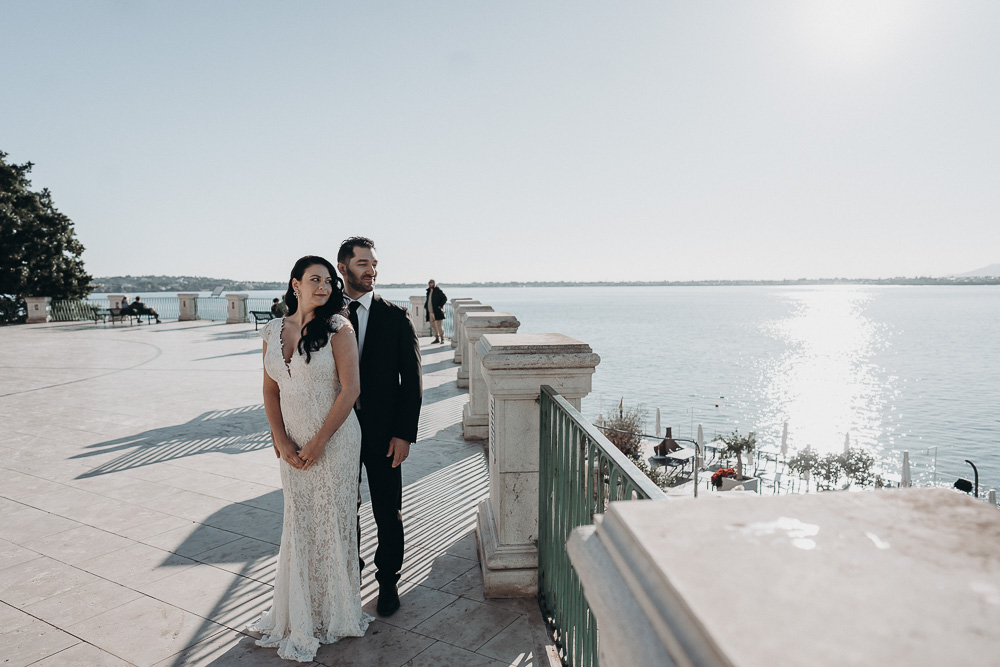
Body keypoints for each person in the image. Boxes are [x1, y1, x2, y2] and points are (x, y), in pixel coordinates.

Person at [247, 255, 370, 661]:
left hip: (334, 440)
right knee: (299, 522)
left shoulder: (339, 328)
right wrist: (280, 438)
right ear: (295, 284)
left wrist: (318, 442)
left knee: (331, 521)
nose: (324, 286)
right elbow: (270, 391)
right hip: (291, 441)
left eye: (329, 281)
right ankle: (301, 611)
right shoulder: (271, 329)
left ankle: (335, 612)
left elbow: (350, 390)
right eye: (314, 279)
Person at [337, 236, 421, 618]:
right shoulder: (325, 314)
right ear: (343, 268)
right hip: (337, 433)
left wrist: (404, 434)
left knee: (388, 512)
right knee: (343, 508)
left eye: (373, 264)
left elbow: (413, 382)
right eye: (362, 263)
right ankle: (349, 579)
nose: (370, 270)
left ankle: (388, 582)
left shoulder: (396, 317)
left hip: (386, 434)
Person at [425, 279, 447, 344]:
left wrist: (440, 305)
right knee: (434, 326)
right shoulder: (428, 291)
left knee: (439, 326)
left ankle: (442, 338)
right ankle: (436, 338)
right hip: (430, 312)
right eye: (429, 282)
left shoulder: (437, 290)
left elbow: (444, 298)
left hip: (437, 312)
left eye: (431, 282)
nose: (430, 284)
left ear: (434, 283)